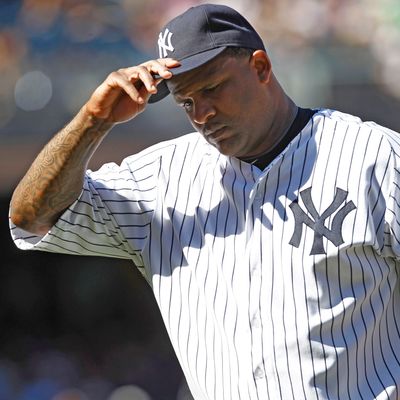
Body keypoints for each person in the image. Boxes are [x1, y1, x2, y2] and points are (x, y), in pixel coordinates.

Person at [9, 3, 400, 400]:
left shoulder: (373, 157)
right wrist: (94, 120)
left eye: (212, 88)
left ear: (260, 67)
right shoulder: (160, 179)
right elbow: (30, 218)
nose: (202, 113)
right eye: (187, 101)